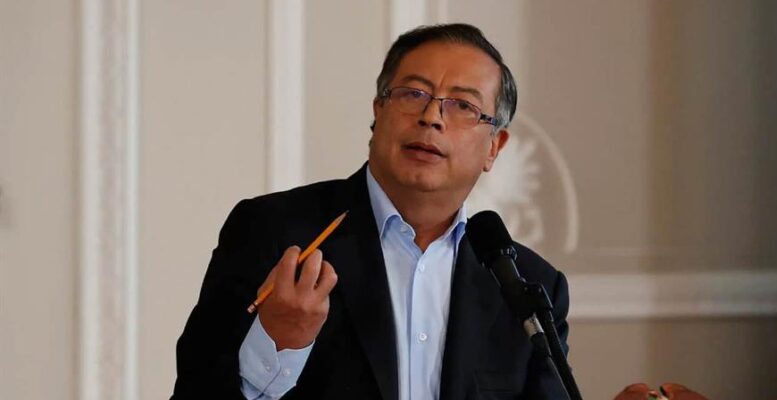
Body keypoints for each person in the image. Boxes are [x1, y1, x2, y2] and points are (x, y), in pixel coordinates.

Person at [171, 23, 570, 400]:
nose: (431, 117)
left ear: (494, 147)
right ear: (378, 111)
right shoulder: (275, 232)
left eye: (463, 105)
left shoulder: (530, 287)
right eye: (413, 94)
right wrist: (276, 344)